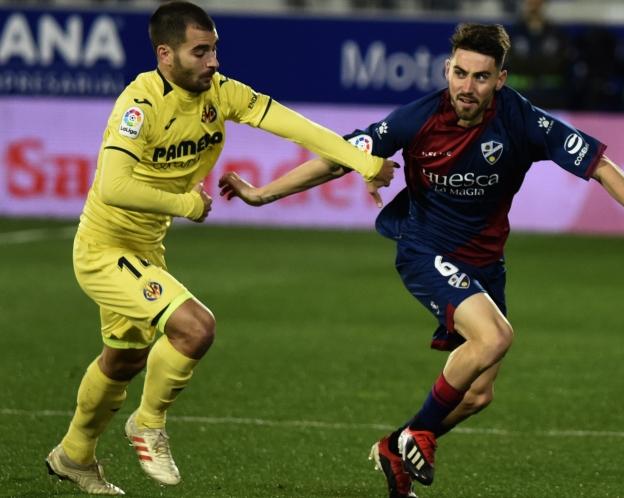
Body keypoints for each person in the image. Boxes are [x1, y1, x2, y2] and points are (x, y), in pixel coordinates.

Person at [219, 23, 624, 498]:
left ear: (500, 80)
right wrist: (261, 195)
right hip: (425, 250)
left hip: (485, 265)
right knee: (496, 336)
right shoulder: (419, 118)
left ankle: (395, 446)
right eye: (459, 74)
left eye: (481, 77)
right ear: (447, 69)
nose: (467, 87)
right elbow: (338, 156)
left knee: (479, 395)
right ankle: (416, 435)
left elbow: (600, 165)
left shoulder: (523, 120)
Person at [44, 2, 396, 495]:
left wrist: (360, 159)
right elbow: (112, 187)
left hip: (146, 249)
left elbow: (292, 125)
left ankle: (73, 456)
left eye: (214, 49)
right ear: (166, 54)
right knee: (195, 328)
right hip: (104, 248)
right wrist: (185, 202)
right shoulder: (139, 104)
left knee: (123, 360)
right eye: (200, 51)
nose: (212, 61)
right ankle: (147, 424)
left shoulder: (221, 93)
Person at [505, 0, 573, 109]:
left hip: (550, 98)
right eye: (530, 2)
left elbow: (562, 65)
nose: (533, 5)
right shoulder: (511, 33)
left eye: (537, 2)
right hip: (519, 96)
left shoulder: (556, 34)